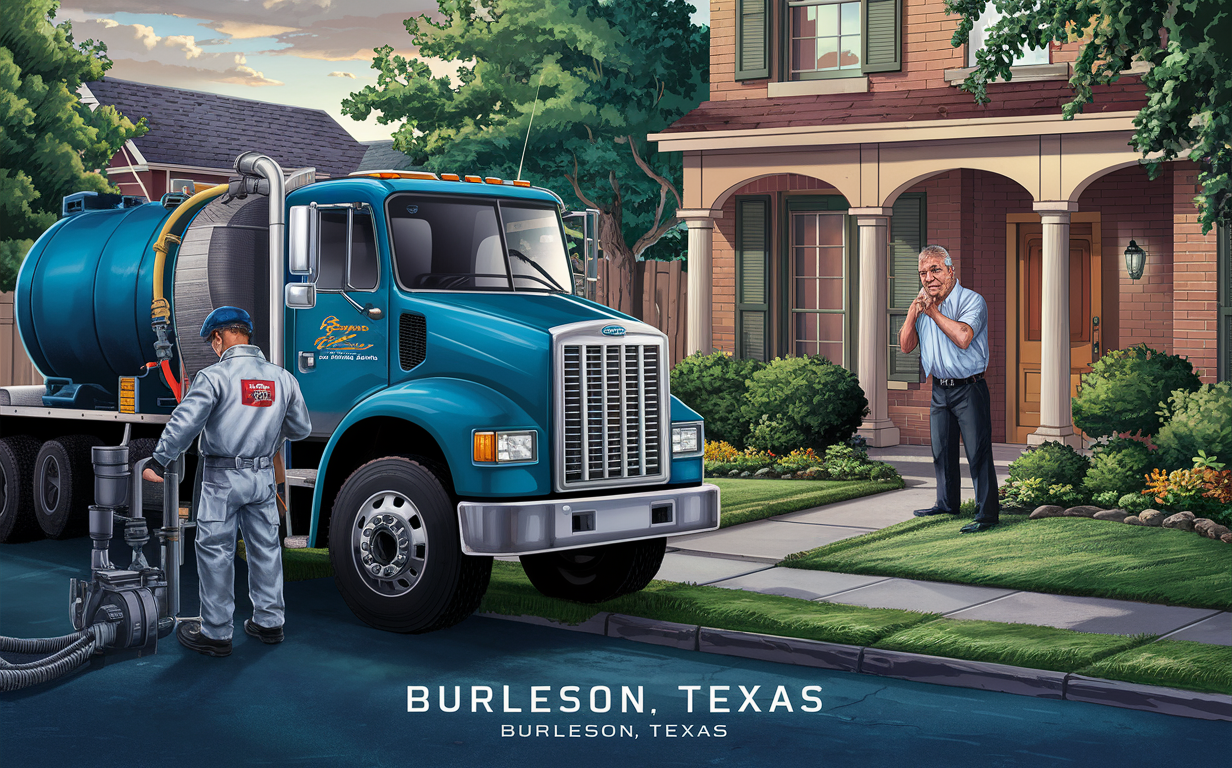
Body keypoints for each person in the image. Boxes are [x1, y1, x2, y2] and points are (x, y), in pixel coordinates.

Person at [143, 306, 312, 656]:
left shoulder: (214, 377)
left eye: (212, 343)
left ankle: (217, 633)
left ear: (220, 337)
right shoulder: (282, 379)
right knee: (265, 548)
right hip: (262, 477)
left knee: (216, 551)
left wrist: (159, 461)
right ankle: (269, 622)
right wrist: (266, 434)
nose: (213, 350)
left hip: (222, 479)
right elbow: (301, 429)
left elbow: (184, 424)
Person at [897, 245, 999, 534]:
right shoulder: (923, 303)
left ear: (951, 271)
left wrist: (932, 312)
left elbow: (964, 337)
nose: (929, 278)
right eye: (923, 273)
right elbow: (905, 346)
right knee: (942, 452)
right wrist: (912, 313)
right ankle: (946, 503)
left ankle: (987, 514)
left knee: (978, 453)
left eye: (935, 270)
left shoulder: (971, 300)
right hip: (939, 390)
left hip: (970, 388)